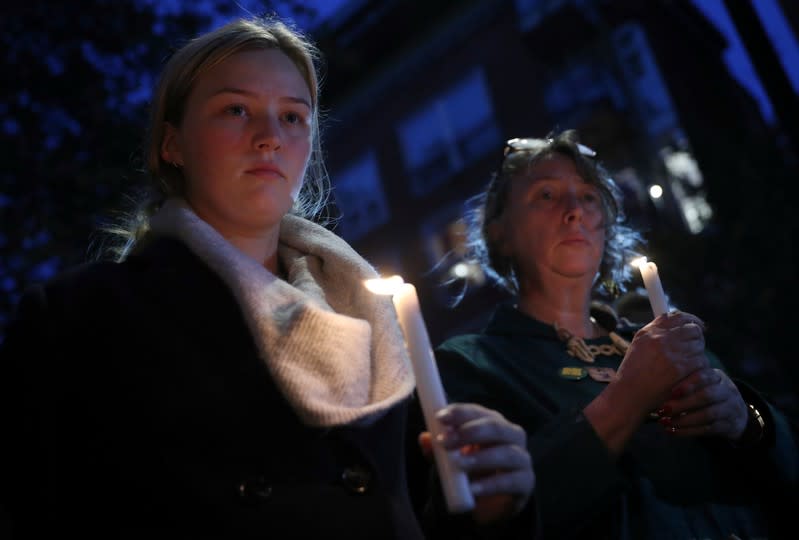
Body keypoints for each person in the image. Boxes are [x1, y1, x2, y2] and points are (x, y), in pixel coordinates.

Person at [0, 16, 535, 539]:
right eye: (236, 109)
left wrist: (493, 508)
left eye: (293, 117)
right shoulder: (80, 320)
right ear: (172, 144)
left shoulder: (369, 317)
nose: (269, 137)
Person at [435, 129, 799, 539]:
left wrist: (748, 419)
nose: (575, 210)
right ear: (499, 230)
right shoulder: (471, 363)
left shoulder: (664, 342)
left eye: (590, 197)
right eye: (547, 196)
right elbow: (493, 516)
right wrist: (627, 396)